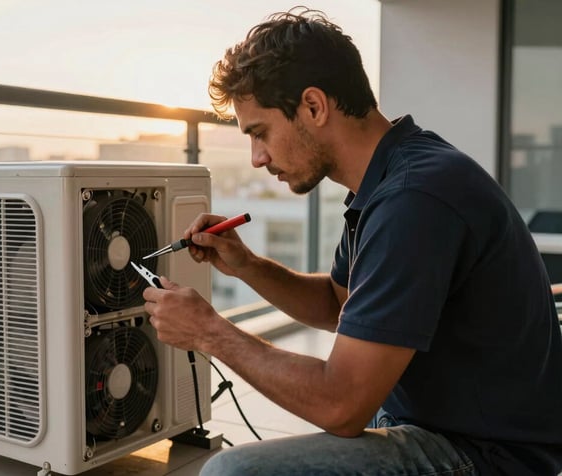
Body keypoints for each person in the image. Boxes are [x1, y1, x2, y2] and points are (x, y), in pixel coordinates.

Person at [141, 6, 562, 476]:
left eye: (260, 133)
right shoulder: (390, 176)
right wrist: (247, 265)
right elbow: (337, 305)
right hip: (434, 425)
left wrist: (209, 332)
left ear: (314, 107)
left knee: (231, 472)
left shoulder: (415, 199)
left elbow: (341, 406)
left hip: (488, 456)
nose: (257, 158)